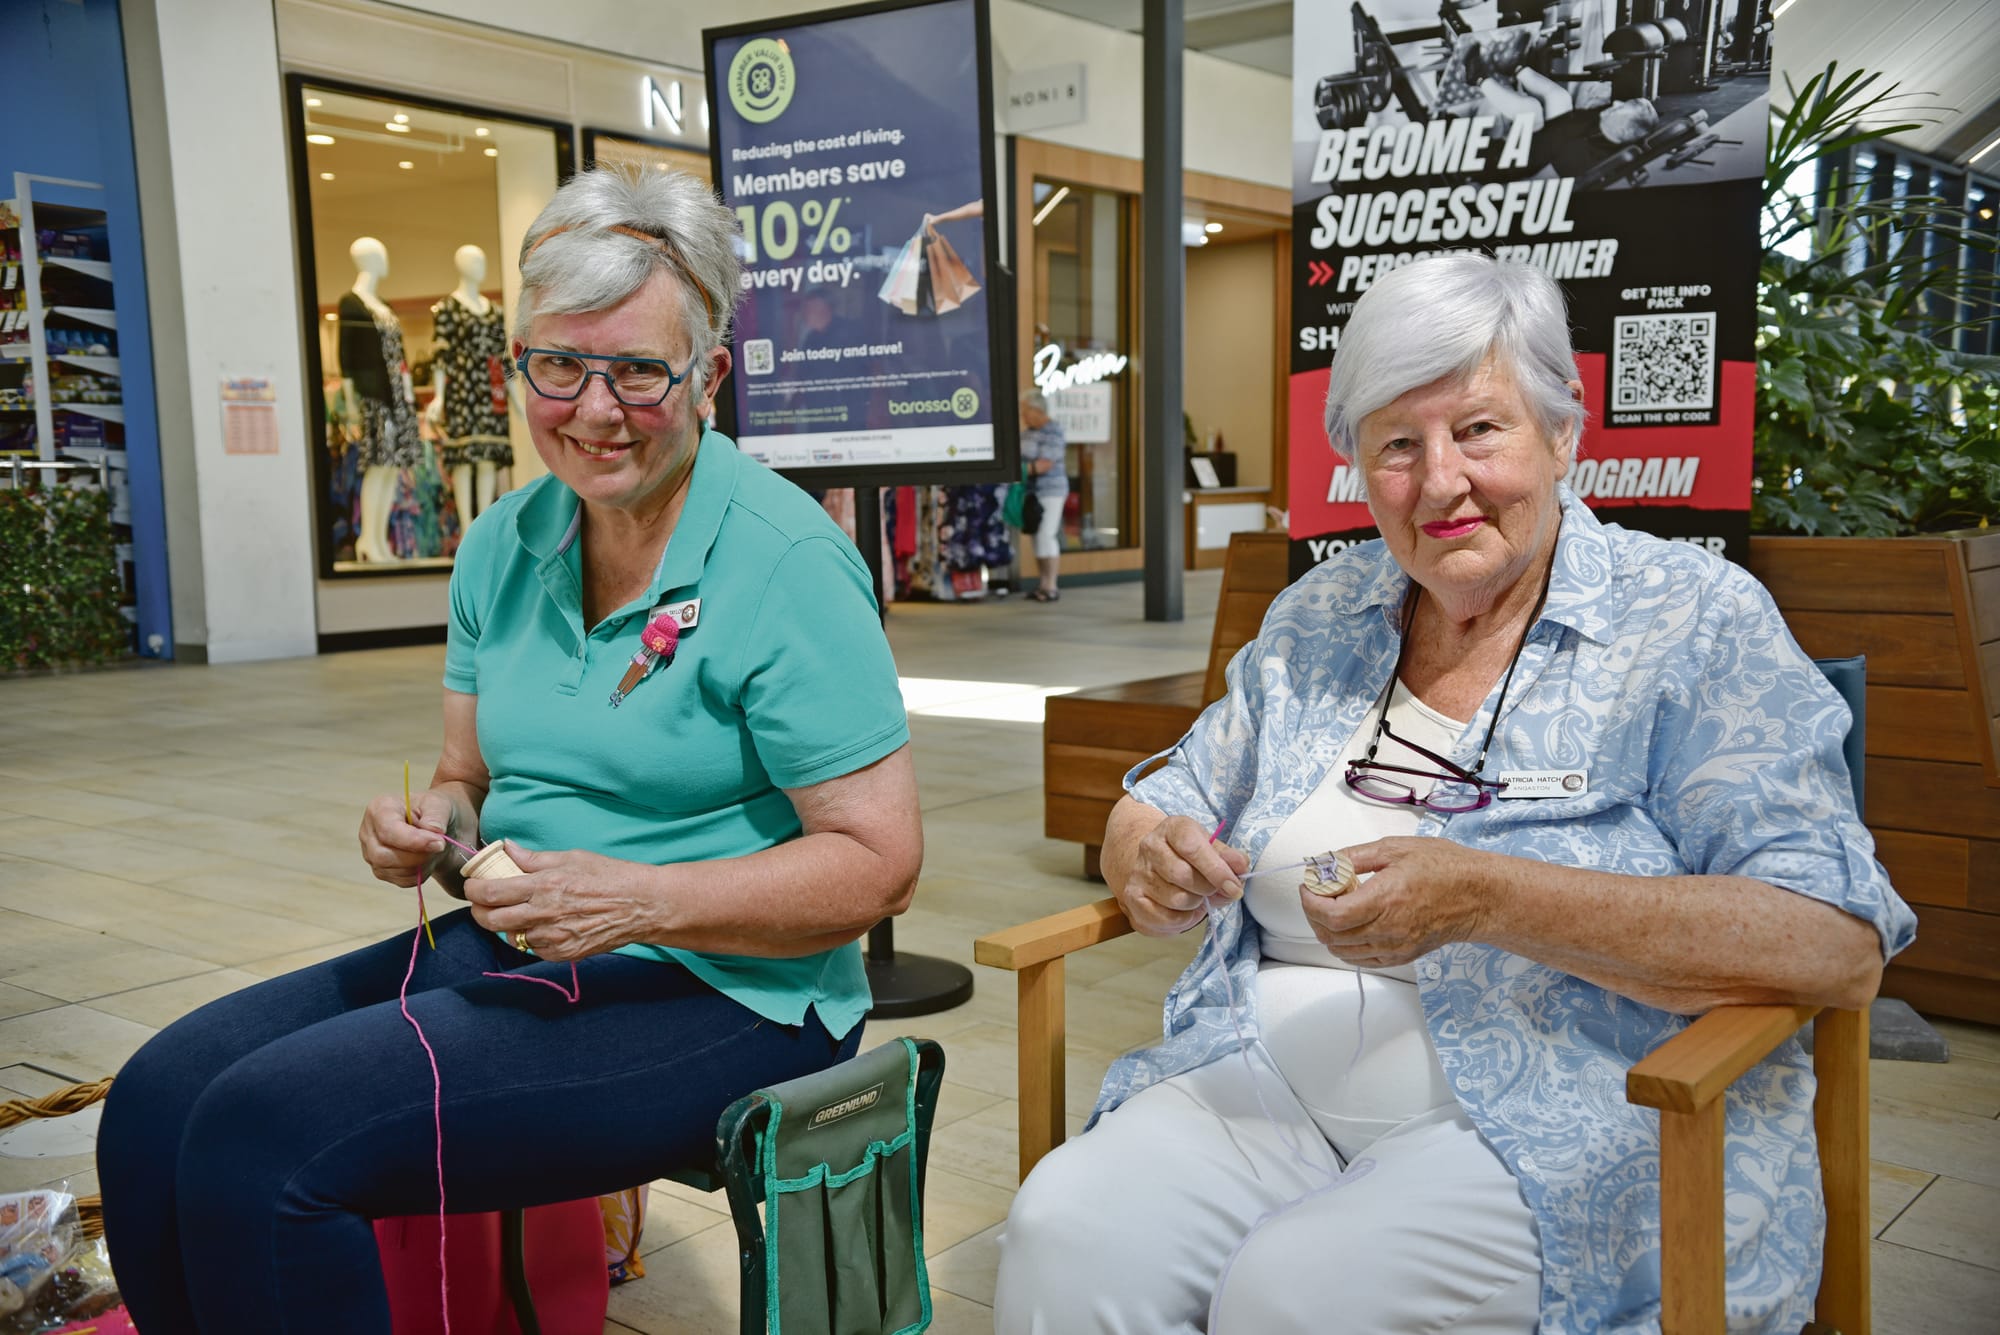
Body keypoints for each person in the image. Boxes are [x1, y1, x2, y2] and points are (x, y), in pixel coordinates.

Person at [994, 254, 1914, 1334]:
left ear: (1562, 432)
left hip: (1568, 1119)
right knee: (1066, 1227)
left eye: (1478, 430)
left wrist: (1489, 899)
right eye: (1395, 444)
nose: (1438, 482)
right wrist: (1140, 843)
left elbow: (1831, 944)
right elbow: (1171, 791)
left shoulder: (1691, 623)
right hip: (1265, 1085)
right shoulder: (1322, 613)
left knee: (1300, 1294)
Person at [96, 164, 923, 1333]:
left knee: (269, 1139)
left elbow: (877, 863)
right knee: (159, 1098)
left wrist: (641, 901)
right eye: (560, 366)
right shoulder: (500, 543)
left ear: (710, 378)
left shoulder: (782, 565)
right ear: (512, 369)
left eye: (639, 368)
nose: (595, 409)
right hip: (535, 944)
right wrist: (433, 826)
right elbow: (466, 778)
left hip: (737, 989)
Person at [1017, 389, 1068, 602]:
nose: (1023, 416)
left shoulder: (1053, 431)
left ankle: (1052, 584)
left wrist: (1020, 471)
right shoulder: (1027, 433)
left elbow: (1045, 463)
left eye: (1026, 411)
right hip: (1031, 492)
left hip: (1051, 490)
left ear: (1037, 410)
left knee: (1047, 534)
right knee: (1037, 537)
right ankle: (1042, 583)